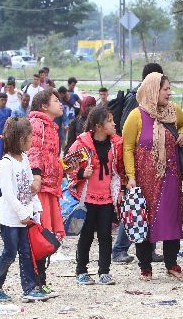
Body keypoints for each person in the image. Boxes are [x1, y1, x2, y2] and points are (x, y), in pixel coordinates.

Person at [123, 72, 183, 281]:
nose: (169, 93)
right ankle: (145, 267)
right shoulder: (136, 115)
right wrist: (131, 176)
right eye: (165, 89)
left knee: (171, 219)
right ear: (153, 90)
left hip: (170, 175)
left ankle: (172, 263)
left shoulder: (173, 110)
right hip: (144, 178)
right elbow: (127, 147)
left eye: (169, 89)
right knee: (144, 221)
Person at [0, 117, 47, 302]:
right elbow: (9, 194)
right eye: (30, 137)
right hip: (9, 219)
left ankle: (29, 288)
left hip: (25, 217)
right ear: (21, 139)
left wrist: (35, 208)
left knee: (26, 252)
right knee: (10, 252)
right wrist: (22, 213)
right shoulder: (6, 163)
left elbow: (29, 187)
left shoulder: (25, 159)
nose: (32, 141)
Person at [112, 62, 165, 265]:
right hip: (136, 163)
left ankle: (149, 249)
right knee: (135, 207)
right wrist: (130, 171)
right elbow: (127, 137)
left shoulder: (154, 101)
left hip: (152, 163)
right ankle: (120, 249)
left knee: (150, 207)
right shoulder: (136, 100)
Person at [68, 106, 124, 286]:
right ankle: (81, 271)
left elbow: (120, 169)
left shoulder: (116, 144)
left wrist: (121, 189)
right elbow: (67, 166)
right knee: (86, 235)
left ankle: (104, 271)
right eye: (109, 120)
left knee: (106, 235)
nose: (114, 123)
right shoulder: (82, 144)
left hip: (107, 198)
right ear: (99, 126)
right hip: (87, 199)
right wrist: (81, 173)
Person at [27, 89, 69, 295]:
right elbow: (33, 152)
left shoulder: (51, 126)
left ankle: (40, 281)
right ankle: (35, 282)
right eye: (55, 100)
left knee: (47, 236)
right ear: (44, 106)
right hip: (41, 187)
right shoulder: (38, 124)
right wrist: (36, 177)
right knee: (40, 236)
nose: (60, 104)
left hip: (51, 187)